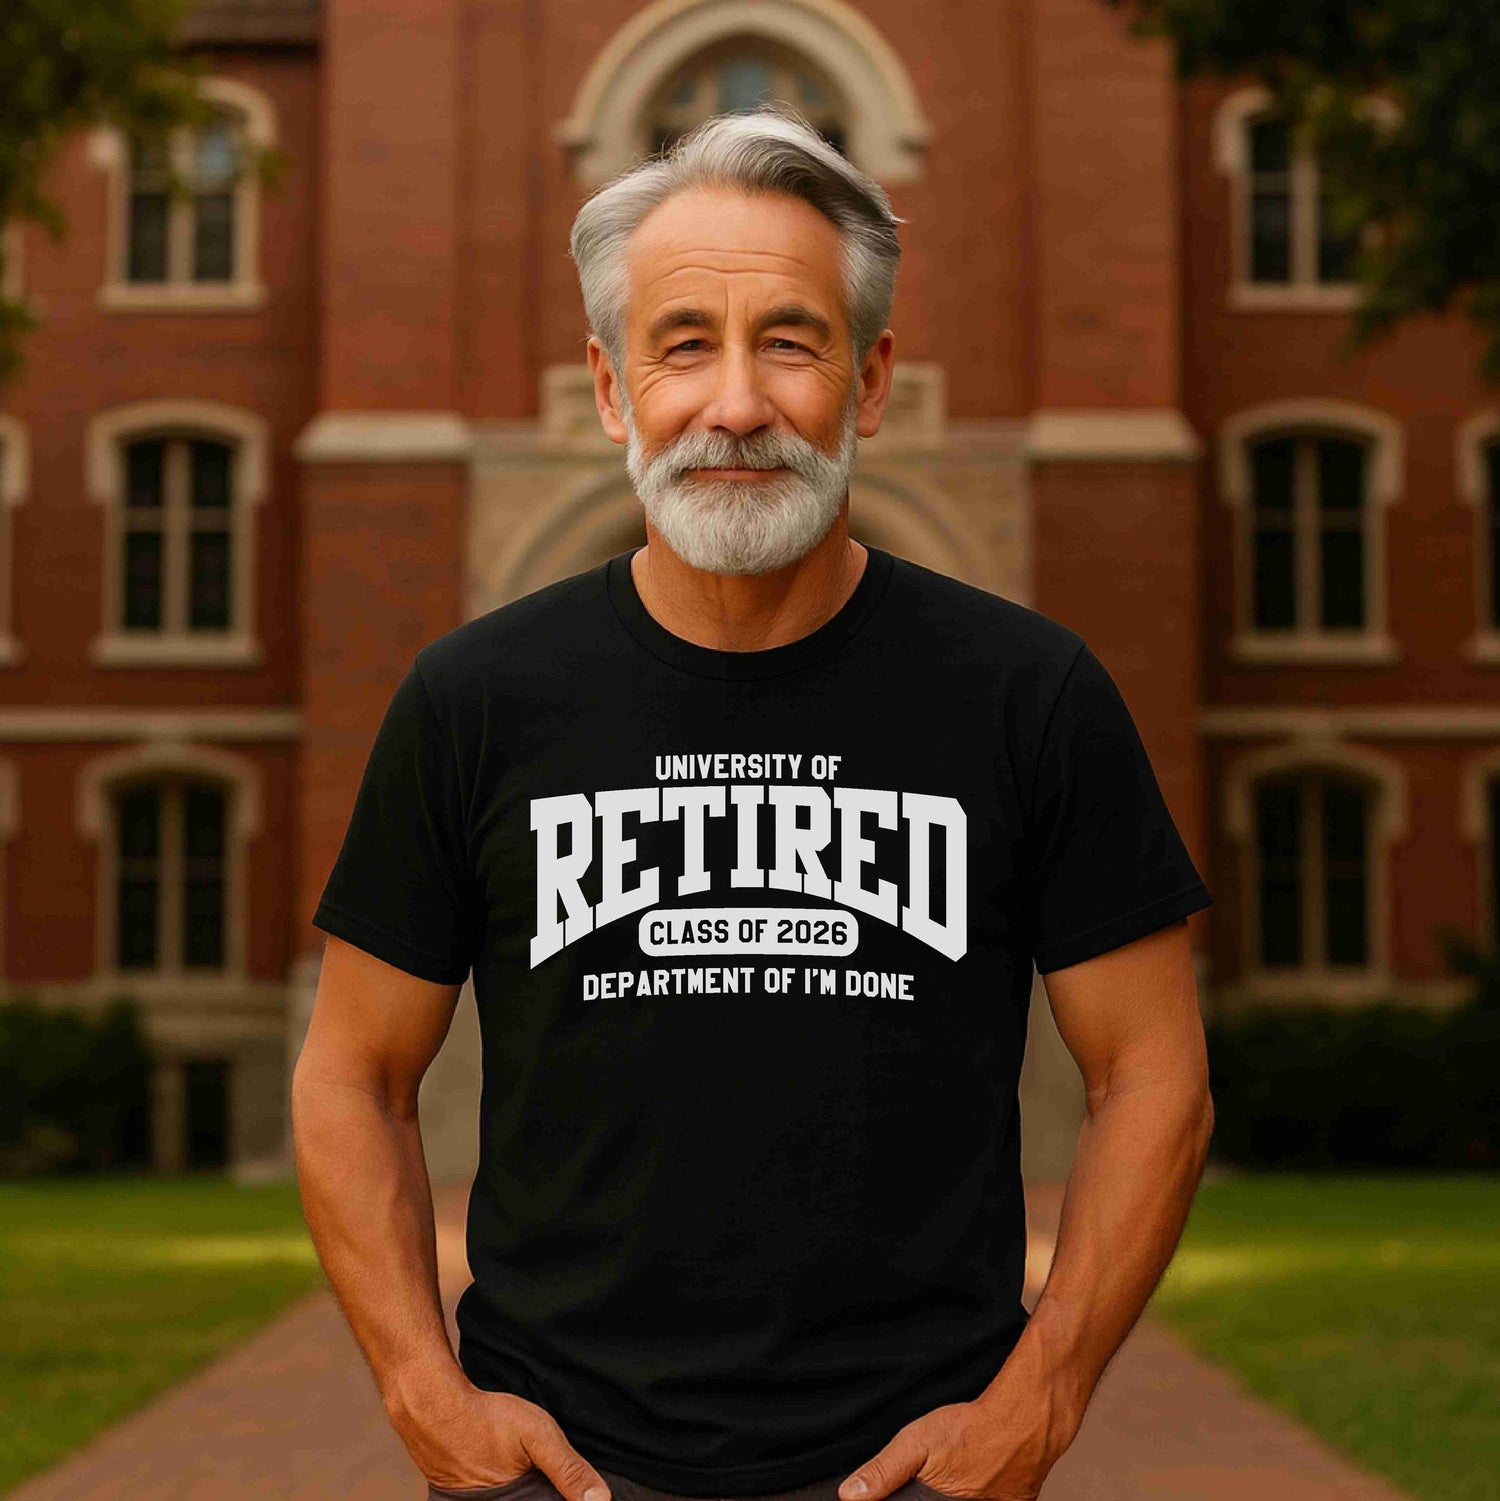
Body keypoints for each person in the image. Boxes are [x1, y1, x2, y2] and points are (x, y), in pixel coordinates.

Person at [292, 102, 1215, 1501]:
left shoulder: (1029, 694)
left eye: (789, 340)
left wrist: (1040, 1399)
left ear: (872, 378)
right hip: (557, 1474)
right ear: (613, 390)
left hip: (917, 1471)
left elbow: (1155, 1074)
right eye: (683, 346)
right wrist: (429, 1397)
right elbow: (351, 1073)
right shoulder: (475, 698)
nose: (735, 404)